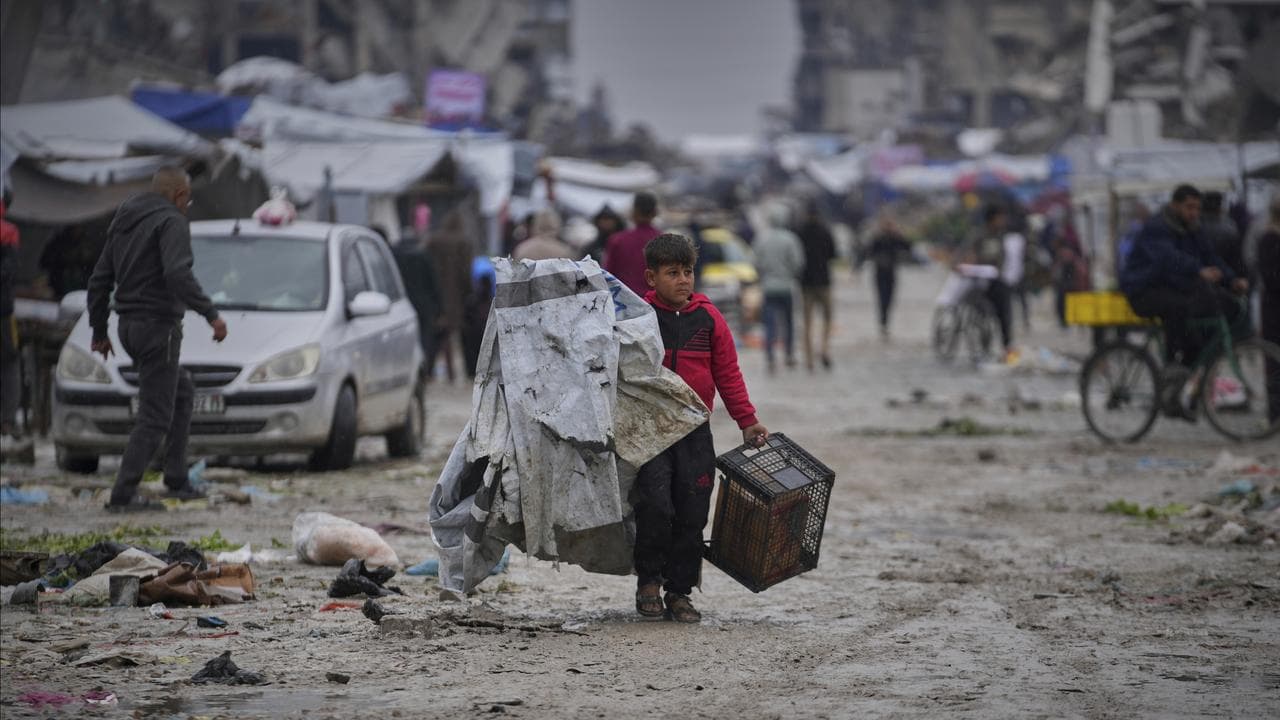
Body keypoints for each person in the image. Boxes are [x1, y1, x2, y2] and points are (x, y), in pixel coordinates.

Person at [634, 232, 768, 624]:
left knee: (693, 512)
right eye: (672, 273)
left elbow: (728, 373)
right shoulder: (640, 319)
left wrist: (747, 420)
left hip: (695, 431)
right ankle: (649, 584)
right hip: (652, 431)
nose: (683, 280)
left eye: (688, 272)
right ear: (651, 278)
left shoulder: (709, 319)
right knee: (655, 506)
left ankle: (680, 592)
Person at [86, 166, 227, 511]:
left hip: (128, 328)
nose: (187, 207)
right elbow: (177, 273)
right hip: (158, 329)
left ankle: (176, 477)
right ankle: (123, 493)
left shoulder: (124, 220)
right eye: (188, 201)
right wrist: (211, 314)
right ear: (180, 196)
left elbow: (98, 281)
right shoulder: (172, 222)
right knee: (154, 415)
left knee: (182, 390)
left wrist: (100, 331)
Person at [1120, 184, 1248, 417]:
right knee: (1177, 306)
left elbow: (1211, 257)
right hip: (1143, 290)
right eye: (1189, 207)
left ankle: (1174, 394)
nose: (1194, 213)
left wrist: (1231, 281)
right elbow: (1168, 258)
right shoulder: (1158, 226)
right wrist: (1198, 270)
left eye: (1197, 208)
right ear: (1175, 205)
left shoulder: (1193, 228)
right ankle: (1171, 366)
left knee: (1200, 341)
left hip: (1173, 288)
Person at [754, 202, 805, 372]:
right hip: (786, 287)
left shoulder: (762, 239)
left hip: (768, 287)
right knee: (788, 322)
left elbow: (755, 262)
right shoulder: (791, 239)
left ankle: (770, 356)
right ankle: (789, 354)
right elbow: (798, 263)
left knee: (769, 324)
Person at [428, 208, 474, 383]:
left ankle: (434, 371)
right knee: (450, 334)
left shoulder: (433, 240)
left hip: (435, 294)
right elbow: (465, 272)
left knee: (438, 334)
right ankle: (451, 372)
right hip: (455, 296)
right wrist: (470, 293)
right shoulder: (464, 242)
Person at [965, 205, 1015, 359]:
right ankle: (981, 344)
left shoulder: (1000, 237)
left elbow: (1003, 259)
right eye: (1000, 218)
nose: (1003, 221)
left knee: (1005, 305)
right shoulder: (979, 236)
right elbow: (969, 254)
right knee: (980, 309)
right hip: (977, 281)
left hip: (994, 280)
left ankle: (1007, 344)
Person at [796, 200, 837, 370]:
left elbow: (796, 258)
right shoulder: (825, 231)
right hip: (824, 281)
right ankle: (825, 349)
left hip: (806, 283)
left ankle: (809, 358)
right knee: (827, 319)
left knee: (807, 321)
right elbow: (833, 255)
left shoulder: (799, 232)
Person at [860, 216, 912, 340]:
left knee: (890, 299)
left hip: (891, 272)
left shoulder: (895, 237)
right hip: (880, 272)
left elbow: (908, 246)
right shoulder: (877, 238)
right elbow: (868, 251)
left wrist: (899, 234)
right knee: (882, 299)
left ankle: (885, 322)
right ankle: (883, 322)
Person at [603, 191, 660, 295]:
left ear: (634, 212)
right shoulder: (664, 240)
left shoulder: (617, 240)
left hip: (624, 303)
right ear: (655, 212)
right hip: (654, 302)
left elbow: (607, 276)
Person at [1256, 195, 1280, 423]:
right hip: (1274, 309)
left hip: (1272, 307)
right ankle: (1275, 413)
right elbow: (1271, 277)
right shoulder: (1270, 238)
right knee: (1274, 361)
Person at [1, 192, 20, 439]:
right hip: (3, 313)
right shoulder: (8, 232)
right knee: (9, 362)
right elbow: (9, 272)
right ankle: (6, 419)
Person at [1201, 191, 1246, 280]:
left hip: (1203, 273)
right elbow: (1237, 257)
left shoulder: (1196, 226)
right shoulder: (1230, 226)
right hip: (1226, 273)